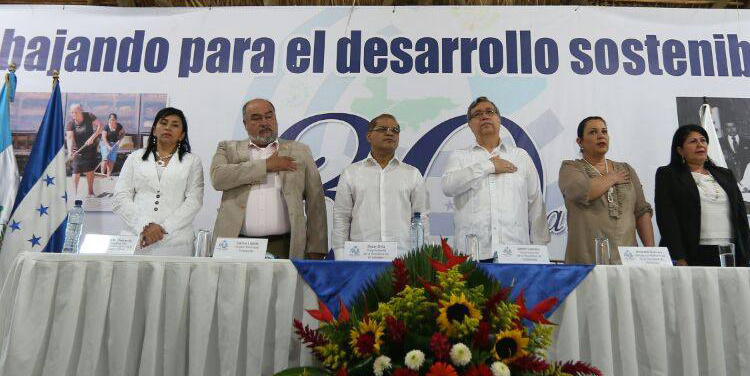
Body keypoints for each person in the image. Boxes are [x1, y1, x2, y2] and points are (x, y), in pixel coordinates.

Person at [211, 98, 327, 259]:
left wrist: (317, 246)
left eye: (269, 116)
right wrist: (266, 166)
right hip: (237, 245)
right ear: (245, 124)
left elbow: (316, 202)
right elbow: (218, 178)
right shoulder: (228, 149)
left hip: (285, 245)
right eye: (256, 118)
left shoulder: (299, 151)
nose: (264, 122)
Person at [441, 96, 548, 260]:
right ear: (470, 125)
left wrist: (540, 251)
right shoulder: (460, 157)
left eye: (489, 112)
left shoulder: (520, 156)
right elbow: (448, 186)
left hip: (516, 253)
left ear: (499, 119)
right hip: (472, 256)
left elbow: (535, 203)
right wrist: (489, 166)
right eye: (477, 114)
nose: (484, 116)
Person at [654, 124, 750, 267]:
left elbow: (741, 217)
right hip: (692, 252)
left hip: (730, 250)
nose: (700, 144)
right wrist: (678, 257)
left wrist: (748, 255)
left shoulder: (725, 175)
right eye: (693, 141)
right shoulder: (668, 175)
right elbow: (667, 219)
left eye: (703, 140)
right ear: (680, 150)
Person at [559, 116, 654, 264]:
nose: (601, 136)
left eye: (604, 131)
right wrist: (612, 178)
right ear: (580, 141)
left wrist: (651, 254)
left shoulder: (626, 169)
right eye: (593, 132)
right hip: (585, 262)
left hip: (627, 260)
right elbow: (583, 191)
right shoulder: (571, 168)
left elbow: (641, 211)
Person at [112, 107, 205, 256]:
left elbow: (194, 201)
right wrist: (145, 225)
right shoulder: (135, 158)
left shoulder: (192, 161)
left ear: (182, 135)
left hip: (175, 241)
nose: (168, 127)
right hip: (137, 238)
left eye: (175, 125)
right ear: (155, 130)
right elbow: (120, 198)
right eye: (164, 123)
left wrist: (162, 228)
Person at [332, 114, 430, 254]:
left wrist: (421, 257)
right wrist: (340, 255)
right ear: (369, 136)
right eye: (383, 129)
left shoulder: (412, 174)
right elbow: (341, 217)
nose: (390, 133)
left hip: (402, 258)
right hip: (360, 257)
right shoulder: (351, 173)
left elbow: (422, 218)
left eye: (395, 130)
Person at [67, 104, 104, 198]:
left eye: (76, 112)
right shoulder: (70, 124)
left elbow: (100, 126)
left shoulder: (89, 116)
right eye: (72, 112)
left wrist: (93, 137)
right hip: (77, 151)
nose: (74, 114)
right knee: (76, 172)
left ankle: (90, 192)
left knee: (90, 171)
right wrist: (70, 151)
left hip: (90, 149)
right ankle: (74, 193)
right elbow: (70, 138)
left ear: (81, 111)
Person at [718, 117, 750, 182]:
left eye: (733, 126)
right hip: (728, 177)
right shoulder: (720, 143)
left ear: (737, 127)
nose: (731, 129)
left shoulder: (748, 142)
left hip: (747, 176)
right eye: (728, 127)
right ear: (725, 129)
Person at [99, 112, 126, 177]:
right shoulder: (106, 127)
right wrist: (108, 146)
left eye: (113, 119)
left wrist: (120, 140)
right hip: (105, 143)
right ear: (108, 120)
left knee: (112, 159)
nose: (112, 121)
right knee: (105, 158)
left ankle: (108, 175)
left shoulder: (119, 126)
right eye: (110, 119)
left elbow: (123, 133)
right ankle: (102, 174)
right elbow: (103, 137)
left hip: (114, 144)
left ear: (116, 120)